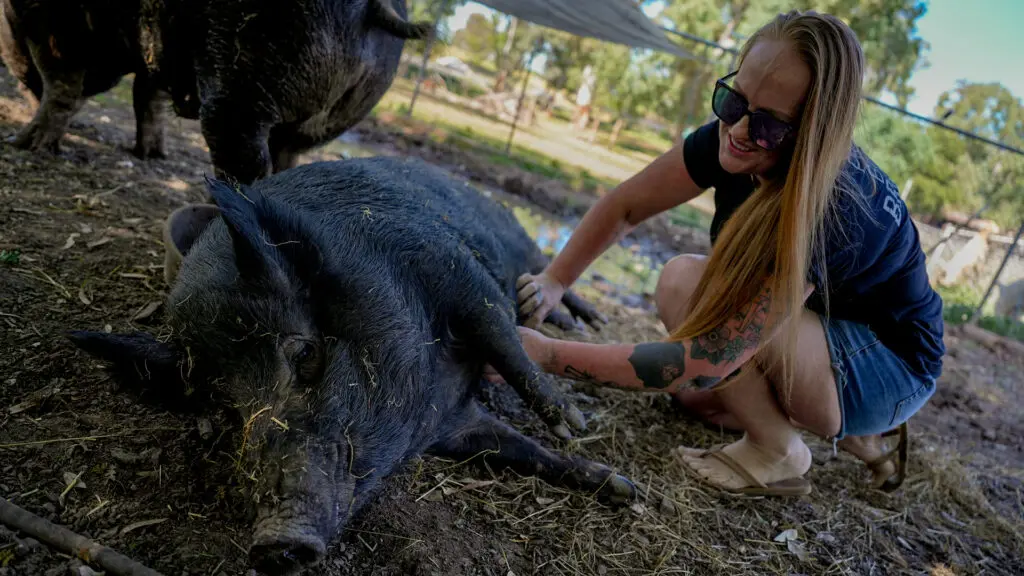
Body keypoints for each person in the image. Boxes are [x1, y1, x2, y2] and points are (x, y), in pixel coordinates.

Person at [503, 10, 945, 496]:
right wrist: (555, 280)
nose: (736, 129)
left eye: (770, 126)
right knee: (691, 399)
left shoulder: (835, 208)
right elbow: (627, 206)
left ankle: (780, 449)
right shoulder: (736, 130)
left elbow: (710, 357)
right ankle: (855, 434)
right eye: (734, 100)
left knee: (685, 285)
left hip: (891, 363)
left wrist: (543, 354)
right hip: (821, 331)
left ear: (812, 136)